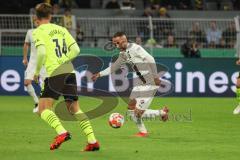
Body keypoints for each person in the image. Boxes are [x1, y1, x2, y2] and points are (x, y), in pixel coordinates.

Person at [32, 3, 99, 151]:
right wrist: (64, 60)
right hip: (69, 71)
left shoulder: (38, 31)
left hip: (54, 72)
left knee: (43, 109)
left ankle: (62, 132)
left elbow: (42, 53)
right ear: (50, 16)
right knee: (74, 108)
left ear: (36, 17)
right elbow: (76, 49)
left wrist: (36, 72)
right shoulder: (61, 29)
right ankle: (92, 141)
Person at [92, 32, 169, 137]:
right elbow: (114, 67)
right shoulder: (123, 54)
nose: (115, 45)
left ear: (123, 41)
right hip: (140, 82)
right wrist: (99, 74)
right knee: (131, 108)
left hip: (150, 82)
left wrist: (155, 77)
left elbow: (150, 58)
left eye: (117, 43)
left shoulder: (135, 48)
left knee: (137, 113)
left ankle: (160, 115)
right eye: (114, 43)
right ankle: (144, 130)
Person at [23, 22, 47, 113]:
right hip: (33, 62)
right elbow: (26, 44)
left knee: (45, 85)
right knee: (26, 82)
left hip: (44, 61)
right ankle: (37, 102)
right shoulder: (30, 32)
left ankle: (44, 104)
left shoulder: (46, 32)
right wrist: (25, 58)